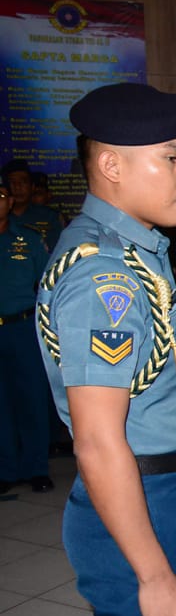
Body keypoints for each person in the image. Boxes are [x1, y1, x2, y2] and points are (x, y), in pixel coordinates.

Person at [35, 82, 176, 616]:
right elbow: (96, 440)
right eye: (172, 158)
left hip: (165, 489)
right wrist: (154, 572)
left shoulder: (136, 253)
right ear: (111, 164)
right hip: (144, 499)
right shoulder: (103, 276)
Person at [0, 177, 52, 494]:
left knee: (31, 398)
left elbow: (48, 285)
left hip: (22, 327)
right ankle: (6, 470)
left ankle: (36, 468)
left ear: (10, 202)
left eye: (1, 195)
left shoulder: (29, 239)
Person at [2, 158, 65, 250]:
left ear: (32, 187)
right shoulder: (2, 217)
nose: (17, 187)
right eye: (13, 182)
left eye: (23, 182)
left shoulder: (49, 216)